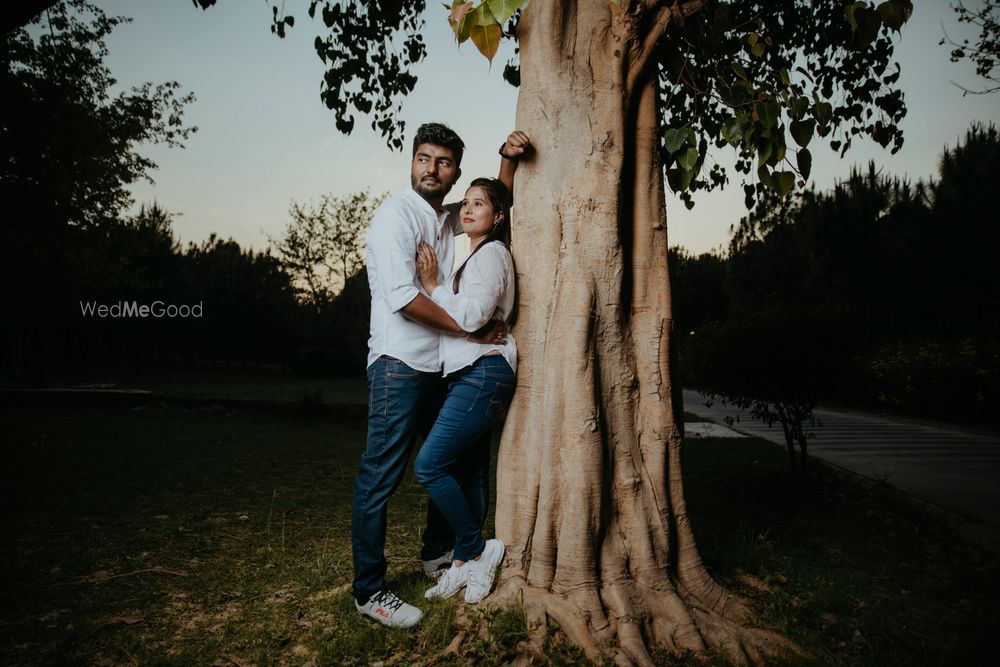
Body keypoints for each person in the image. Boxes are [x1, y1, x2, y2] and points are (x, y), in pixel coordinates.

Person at [351, 123, 527, 628]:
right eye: (423, 158)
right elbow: (404, 299)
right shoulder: (396, 216)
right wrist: (470, 332)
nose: (432, 168)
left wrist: (506, 160)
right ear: (412, 162)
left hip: (440, 368)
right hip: (398, 364)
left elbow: (494, 206)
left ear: (452, 172)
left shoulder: (446, 219)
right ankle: (369, 591)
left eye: (443, 162)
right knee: (381, 475)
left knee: (457, 463)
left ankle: (441, 554)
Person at [412, 170, 524, 605]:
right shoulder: (476, 257)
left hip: (485, 373)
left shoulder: (494, 253)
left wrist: (435, 286)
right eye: (467, 202)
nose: (468, 207)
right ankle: (462, 563)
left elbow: (475, 315)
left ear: (498, 216)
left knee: (430, 465)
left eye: (479, 202)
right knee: (471, 471)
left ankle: (478, 549)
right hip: (473, 372)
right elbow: (470, 323)